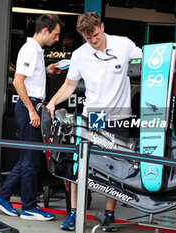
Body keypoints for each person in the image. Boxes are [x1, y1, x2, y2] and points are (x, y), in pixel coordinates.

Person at [46, 12, 142, 231]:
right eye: (88, 38)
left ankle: (109, 215)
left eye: (96, 35)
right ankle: (73, 212)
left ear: (102, 27)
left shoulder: (123, 44)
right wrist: (52, 102)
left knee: (115, 166)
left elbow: (148, 62)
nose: (93, 41)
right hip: (94, 114)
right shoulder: (80, 54)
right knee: (79, 164)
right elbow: (70, 85)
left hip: (119, 115)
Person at [0, 14, 61, 221]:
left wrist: (46, 71)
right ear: (45, 30)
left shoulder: (36, 51)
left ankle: (3, 196)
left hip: (33, 105)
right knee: (30, 161)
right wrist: (31, 110)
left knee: (29, 159)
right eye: (55, 35)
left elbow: (29, 80)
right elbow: (18, 82)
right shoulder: (30, 49)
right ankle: (28, 207)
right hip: (30, 106)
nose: (57, 39)